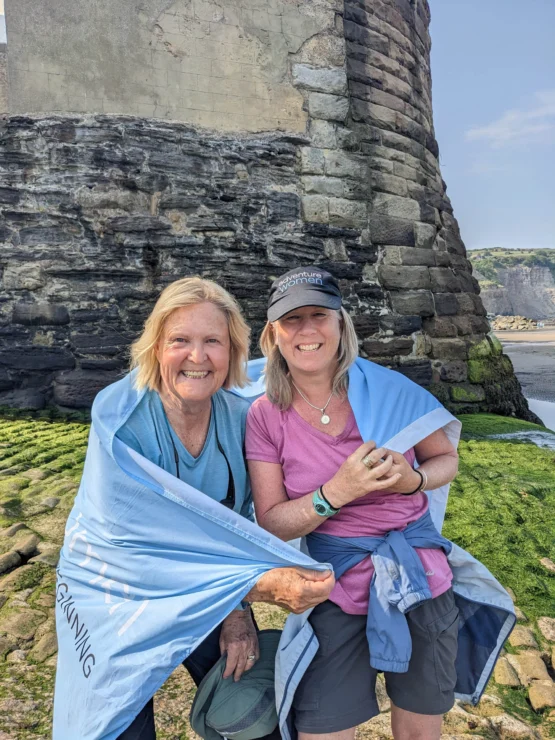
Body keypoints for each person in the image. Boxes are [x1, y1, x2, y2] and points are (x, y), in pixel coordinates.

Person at [54, 277, 334, 740]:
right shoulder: (123, 425)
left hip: (206, 586)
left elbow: (236, 527)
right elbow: (131, 550)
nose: (198, 357)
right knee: (118, 725)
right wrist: (259, 587)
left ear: (234, 351)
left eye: (213, 342)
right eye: (180, 341)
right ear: (156, 347)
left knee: (254, 713)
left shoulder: (242, 419)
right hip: (115, 592)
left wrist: (238, 611)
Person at [245, 266, 505, 740]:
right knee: (322, 730)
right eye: (291, 320)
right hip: (333, 585)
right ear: (273, 335)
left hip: (418, 576)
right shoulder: (265, 415)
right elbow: (274, 523)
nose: (307, 330)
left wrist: (413, 480)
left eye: (318, 315)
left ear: (341, 323)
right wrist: (335, 493)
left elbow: (446, 459)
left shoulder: (391, 391)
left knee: (419, 733)